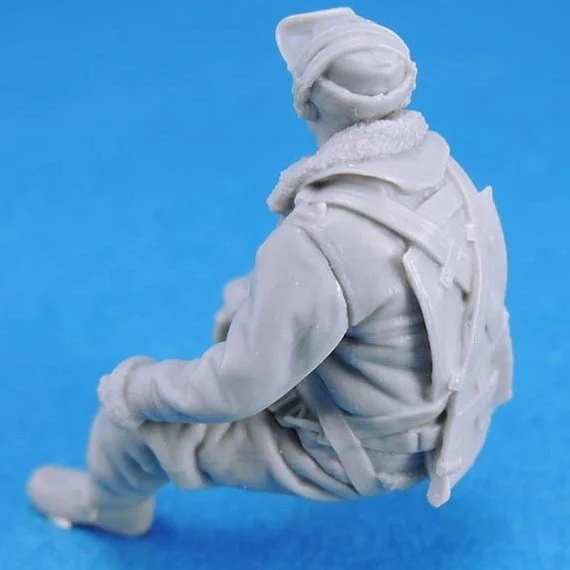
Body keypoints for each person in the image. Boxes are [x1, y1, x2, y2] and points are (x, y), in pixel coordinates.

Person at [27, 7, 512, 537]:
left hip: (359, 454)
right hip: (453, 427)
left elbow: (236, 386)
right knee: (240, 306)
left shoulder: (318, 238)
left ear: (307, 103)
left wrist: (137, 387)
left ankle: (112, 508)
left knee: (132, 428)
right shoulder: (449, 179)